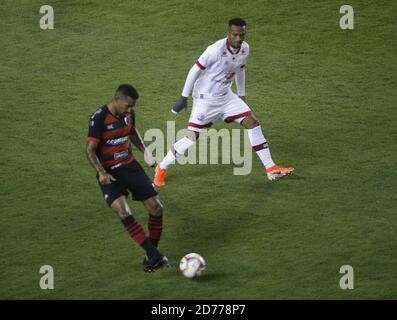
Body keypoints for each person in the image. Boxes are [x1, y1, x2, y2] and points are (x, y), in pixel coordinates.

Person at [154, 18, 294, 187]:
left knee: (253, 123)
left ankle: (271, 168)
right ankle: (161, 167)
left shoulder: (245, 49)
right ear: (228, 33)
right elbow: (194, 71)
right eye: (234, 35)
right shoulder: (215, 50)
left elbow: (240, 70)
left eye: (241, 35)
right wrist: (183, 97)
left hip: (226, 96)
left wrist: (242, 96)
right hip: (206, 99)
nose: (238, 39)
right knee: (192, 137)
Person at [86, 84, 168, 273]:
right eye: (128, 105)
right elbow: (90, 150)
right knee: (123, 212)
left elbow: (132, 132)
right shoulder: (99, 118)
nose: (130, 110)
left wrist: (146, 152)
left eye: (132, 107)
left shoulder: (127, 115)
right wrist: (101, 172)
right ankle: (154, 255)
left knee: (157, 208)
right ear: (118, 100)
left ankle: (151, 254)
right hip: (110, 174)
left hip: (130, 167)